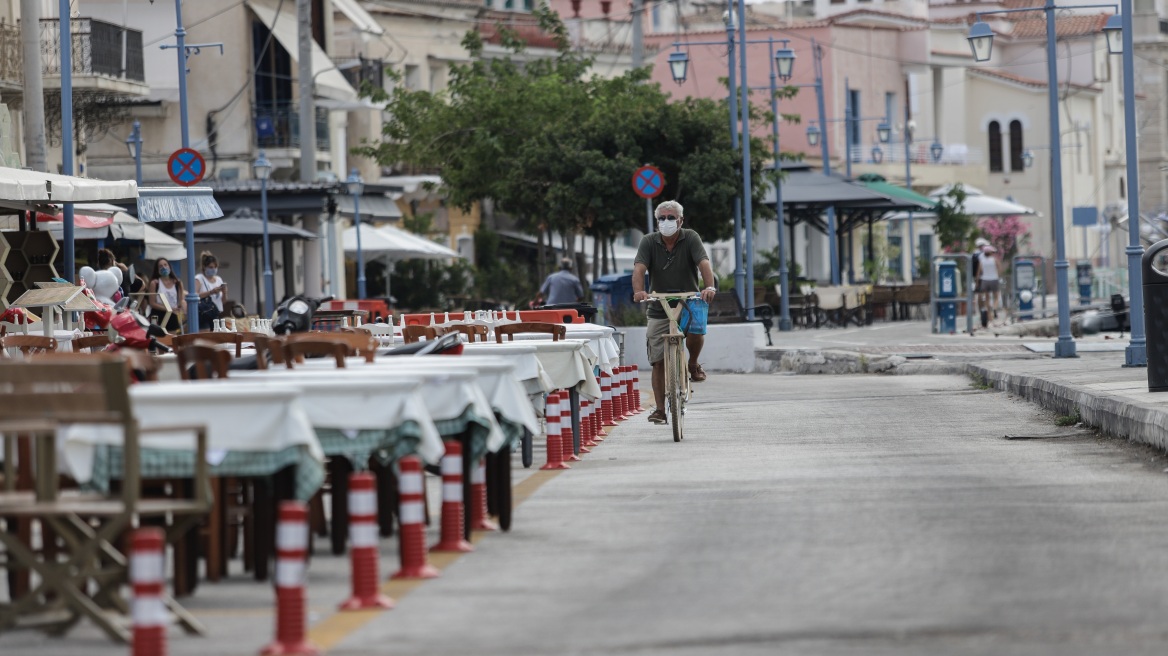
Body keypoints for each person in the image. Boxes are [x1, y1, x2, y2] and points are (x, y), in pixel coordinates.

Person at [631, 200, 717, 425]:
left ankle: (693, 364)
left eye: (671, 217)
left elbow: (704, 264)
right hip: (658, 305)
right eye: (662, 218)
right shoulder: (648, 241)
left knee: (696, 330)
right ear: (656, 221)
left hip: (689, 301)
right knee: (658, 361)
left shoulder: (691, 238)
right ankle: (660, 410)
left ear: (680, 220)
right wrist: (639, 291)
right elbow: (639, 269)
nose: (666, 221)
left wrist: (709, 287)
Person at [147, 258, 184, 333]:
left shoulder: (177, 283)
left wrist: (178, 308)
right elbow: (152, 303)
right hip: (158, 315)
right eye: (160, 266)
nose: (163, 267)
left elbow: (181, 301)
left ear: (169, 267)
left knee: (172, 338)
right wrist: (168, 309)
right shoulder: (155, 283)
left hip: (172, 316)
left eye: (165, 265)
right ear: (157, 269)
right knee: (159, 338)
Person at [194, 251, 227, 328]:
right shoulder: (199, 278)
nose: (214, 269)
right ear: (204, 267)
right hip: (204, 313)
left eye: (215, 267)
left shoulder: (218, 279)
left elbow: (223, 301)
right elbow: (195, 295)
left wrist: (224, 292)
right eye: (211, 267)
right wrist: (211, 292)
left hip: (216, 313)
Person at [974, 237, 1002, 328]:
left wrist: (977, 282)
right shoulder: (994, 259)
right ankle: (994, 308)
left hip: (984, 280)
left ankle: (989, 316)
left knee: (986, 299)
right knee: (996, 296)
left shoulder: (981, 260)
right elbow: (999, 269)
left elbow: (979, 272)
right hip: (994, 279)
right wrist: (998, 276)